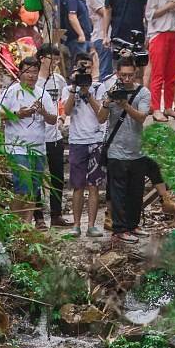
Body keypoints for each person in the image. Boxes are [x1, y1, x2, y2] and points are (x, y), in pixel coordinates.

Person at [96, 55, 152, 244]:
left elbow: (142, 117)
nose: (127, 79)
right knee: (118, 192)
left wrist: (125, 105)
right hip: (116, 150)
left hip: (137, 150)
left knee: (136, 191)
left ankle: (133, 224)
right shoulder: (110, 92)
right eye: (123, 76)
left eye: (130, 75)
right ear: (117, 74)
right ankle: (119, 228)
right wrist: (107, 102)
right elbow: (101, 119)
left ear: (135, 73)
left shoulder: (143, 92)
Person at [0, 56, 57, 224]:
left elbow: (53, 119)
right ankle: (14, 224)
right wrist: (18, 114)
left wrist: (43, 112)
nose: (31, 76)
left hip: (38, 148)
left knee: (33, 190)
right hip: (17, 148)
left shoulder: (42, 93)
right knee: (23, 188)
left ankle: (26, 226)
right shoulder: (11, 91)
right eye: (28, 72)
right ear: (20, 73)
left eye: (34, 72)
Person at [64, 52, 107, 237]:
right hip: (77, 141)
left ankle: (91, 225)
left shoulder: (99, 87)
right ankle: (75, 225)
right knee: (77, 185)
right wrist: (74, 88)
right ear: (75, 66)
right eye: (82, 66)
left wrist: (87, 93)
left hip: (96, 140)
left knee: (94, 185)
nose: (85, 70)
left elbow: (101, 113)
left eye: (88, 66)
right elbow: (66, 111)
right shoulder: (69, 89)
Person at [35, 45, 70, 228]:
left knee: (57, 176)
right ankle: (38, 217)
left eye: (57, 59)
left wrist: (62, 118)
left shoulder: (59, 80)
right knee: (36, 178)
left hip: (55, 135)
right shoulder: (35, 81)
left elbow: (63, 103)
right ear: (42, 58)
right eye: (52, 58)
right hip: (37, 136)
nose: (55, 62)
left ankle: (56, 215)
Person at [87, 0, 112, 80]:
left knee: (112, 72)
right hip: (101, 37)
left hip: (110, 35)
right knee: (105, 72)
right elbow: (106, 12)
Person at [66, 0, 93, 66]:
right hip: (77, 40)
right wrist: (81, 34)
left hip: (86, 38)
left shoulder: (82, 0)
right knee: (79, 65)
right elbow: (72, 17)